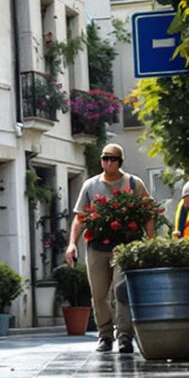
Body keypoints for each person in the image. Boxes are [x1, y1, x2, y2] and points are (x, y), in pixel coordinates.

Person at [67, 145, 147, 353]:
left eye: (112, 159)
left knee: (121, 292)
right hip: (97, 247)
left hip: (124, 247)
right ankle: (105, 335)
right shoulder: (90, 185)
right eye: (105, 159)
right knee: (99, 294)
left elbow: (147, 213)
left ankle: (124, 336)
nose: (108, 163)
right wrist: (72, 243)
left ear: (120, 161)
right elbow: (80, 218)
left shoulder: (133, 183)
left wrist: (150, 242)